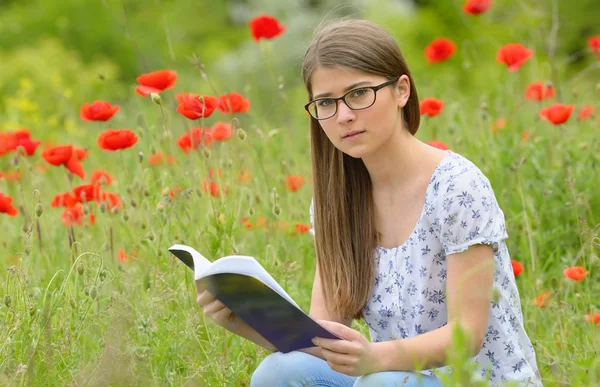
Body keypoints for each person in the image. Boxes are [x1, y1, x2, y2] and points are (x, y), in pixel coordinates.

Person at [198, 18, 542, 386]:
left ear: (401, 91)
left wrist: (374, 358)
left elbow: (467, 336)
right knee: (278, 372)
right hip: (386, 377)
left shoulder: (457, 187)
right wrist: (246, 323)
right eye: (326, 102)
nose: (343, 115)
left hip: (475, 380)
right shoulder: (336, 202)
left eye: (359, 93)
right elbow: (325, 340)